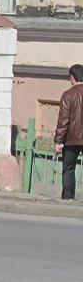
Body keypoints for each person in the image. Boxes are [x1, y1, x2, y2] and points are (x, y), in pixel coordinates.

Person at [53, 64, 83, 200]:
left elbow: (63, 120)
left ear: (72, 77)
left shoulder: (68, 95)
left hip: (71, 139)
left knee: (69, 168)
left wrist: (58, 141)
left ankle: (68, 196)